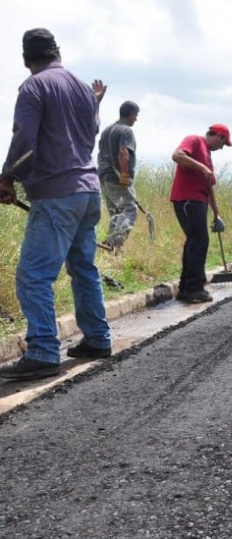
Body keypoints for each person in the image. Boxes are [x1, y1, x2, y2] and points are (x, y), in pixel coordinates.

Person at [0, 28, 112, 381]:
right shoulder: (82, 88)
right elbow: (91, 132)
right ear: (57, 52)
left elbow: (25, 141)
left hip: (57, 194)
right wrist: (96, 102)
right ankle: (97, 338)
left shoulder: (34, 86)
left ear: (25, 59)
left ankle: (44, 352)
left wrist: (7, 178)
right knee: (83, 269)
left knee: (34, 276)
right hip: (89, 192)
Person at [170, 124, 232, 304]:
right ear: (218, 136)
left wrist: (216, 214)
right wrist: (201, 168)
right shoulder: (194, 140)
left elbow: (209, 185)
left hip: (199, 201)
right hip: (188, 199)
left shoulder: (208, 156)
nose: (222, 147)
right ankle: (194, 288)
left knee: (194, 242)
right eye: (223, 143)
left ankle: (185, 288)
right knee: (198, 242)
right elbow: (177, 156)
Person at [97, 100, 140, 250]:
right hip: (116, 178)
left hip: (103, 177)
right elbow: (123, 152)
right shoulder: (126, 131)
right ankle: (112, 244)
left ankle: (112, 252)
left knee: (116, 213)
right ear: (131, 114)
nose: (136, 119)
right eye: (136, 115)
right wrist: (124, 175)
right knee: (129, 210)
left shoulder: (106, 130)